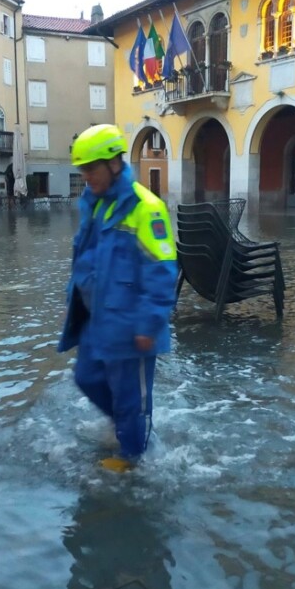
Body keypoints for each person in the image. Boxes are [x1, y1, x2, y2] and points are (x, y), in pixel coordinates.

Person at [58, 124, 178, 472]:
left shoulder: (146, 208)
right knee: (86, 377)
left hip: (132, 328)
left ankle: (134, 458)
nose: (86, 177)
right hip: (98, 321)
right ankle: (128, 427)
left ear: (113, 164)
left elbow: (162, 271)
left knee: (132, 399)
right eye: (82, 170)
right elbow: (85, 258)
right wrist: (73, 298)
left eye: (91, 169)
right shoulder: (94, 205)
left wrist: (148, 324)